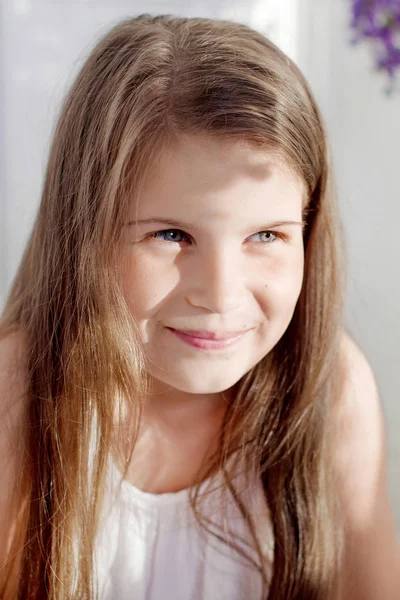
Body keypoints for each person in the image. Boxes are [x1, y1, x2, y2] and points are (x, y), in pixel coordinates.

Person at [0, 13, 399, 600]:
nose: (219, 294)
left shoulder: (332, 391)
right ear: (84, 234)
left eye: (266, 236)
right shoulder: (17, 394)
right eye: (172, 236)